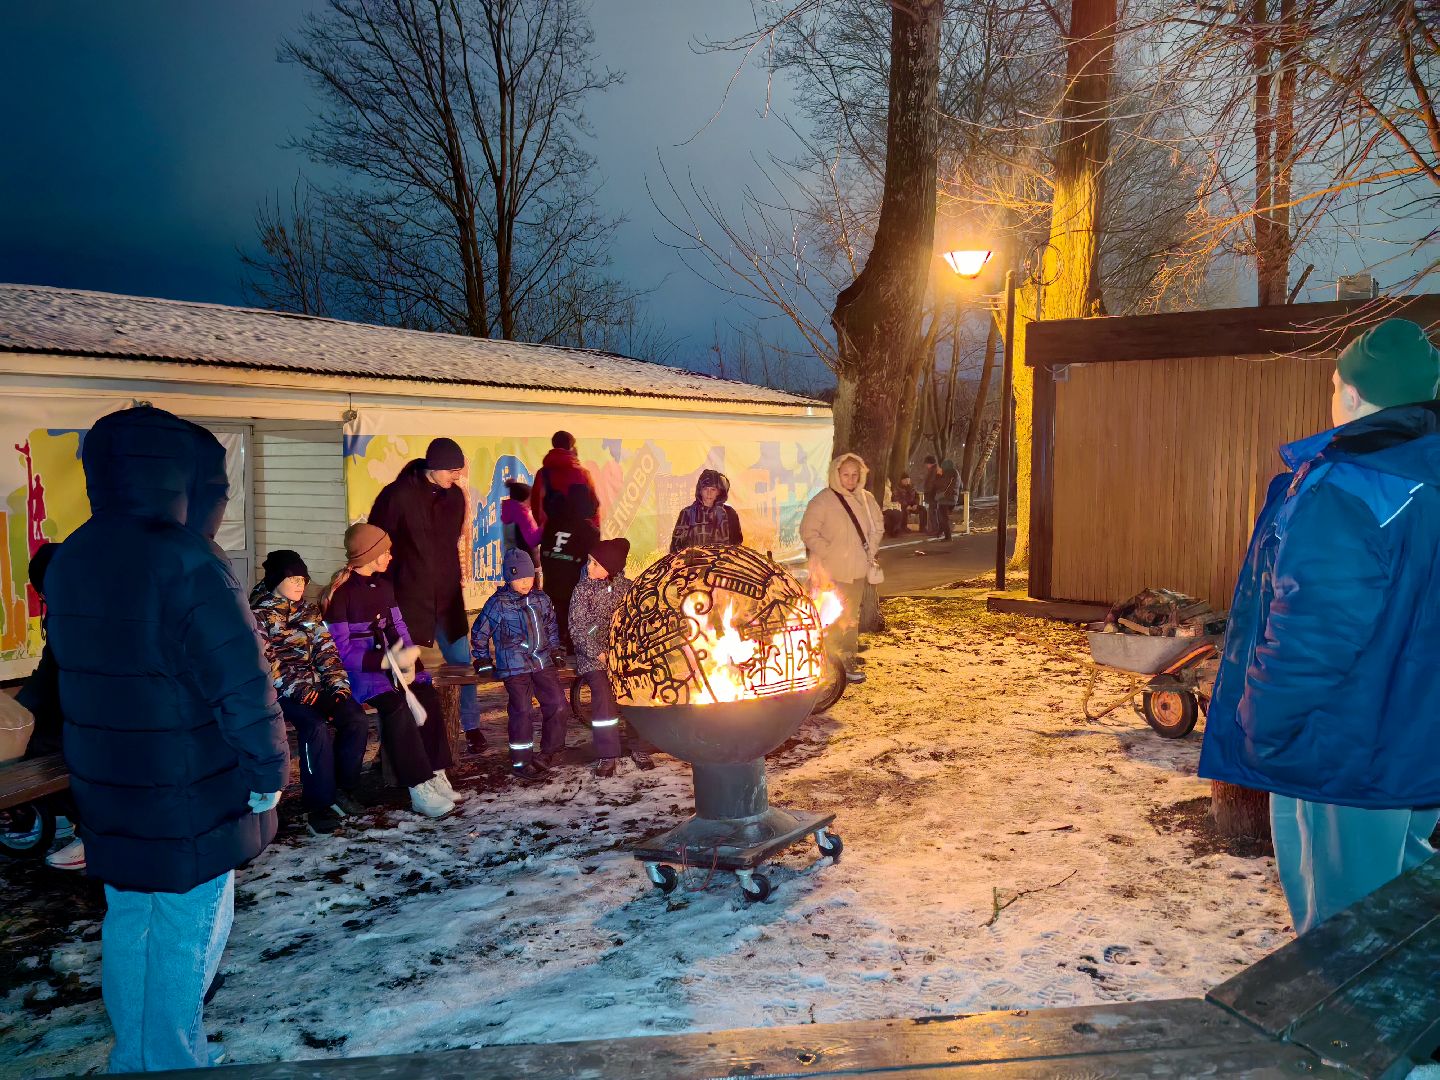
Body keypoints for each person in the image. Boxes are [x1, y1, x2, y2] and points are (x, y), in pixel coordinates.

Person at [44, 405, 289, 1072]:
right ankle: (170, 1061)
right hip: (190, 789)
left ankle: (142, 1053)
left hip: (110, 784)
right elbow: (242, 682)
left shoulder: (75, 555)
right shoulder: (188, 560)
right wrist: (268, 769)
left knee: (131, 918)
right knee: (189, 926)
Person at [1198, 318, 1440, 936]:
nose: (1331, 392)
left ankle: (1348, 1035)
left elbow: (1315, 629)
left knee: (1342, 932)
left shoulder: (1351, 486)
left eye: (1335, 381)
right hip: (1410, 739)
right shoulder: (1424, 475)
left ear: (1355, 394)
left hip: (1341, 746)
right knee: (1406, 900)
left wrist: (1261, 723)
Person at [321, 524, 462, 820]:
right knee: (397, 708)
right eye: (384, 551)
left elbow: (398, 627)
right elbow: (341, 651)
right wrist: (382, 661)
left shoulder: (384, 586)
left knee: (427, 696)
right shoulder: (342, 595)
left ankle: (436, 772)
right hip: (361, 674)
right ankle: (417, 785)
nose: (390, 556)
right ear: (369, 555)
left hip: (392, 665)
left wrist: (412, 662)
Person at [367, 437, 482, 750]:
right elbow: (375, 542)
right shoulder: (398, 495)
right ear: (434, 466)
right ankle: (400, 734)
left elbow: (449, 543)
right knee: (402, 667)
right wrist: (382, 587)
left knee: (462, 661)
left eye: (459, 470)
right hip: (408, 597)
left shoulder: (455, 497)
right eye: (452, 470)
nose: (457, 476)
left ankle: (471, 726)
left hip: (446, 597)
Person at [250, 550, 369, 835]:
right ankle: (319, 804)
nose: (300, 584)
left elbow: (327, 651)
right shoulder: (258, 615)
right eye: (293, 578)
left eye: (303, 578)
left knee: (355, 717)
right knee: (314, 726)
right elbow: (267, 662)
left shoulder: (309, 611)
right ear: (277, 579)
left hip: (316, 685)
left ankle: (344, 787)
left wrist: (337, 688)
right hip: (279, 691)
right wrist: (307, 695)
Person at [14, 542, 85, 872]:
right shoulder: (79, 602)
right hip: (94, 706)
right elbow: (50, 669)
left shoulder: (74, 612)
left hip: (97, 712)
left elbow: (52, 673)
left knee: (40, 753)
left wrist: (22, 710)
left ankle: (91, 834)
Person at [471, 549, 570, 782]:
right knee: (522, 711)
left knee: (557, 703)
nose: (525, 582)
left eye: (529, 577)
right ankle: (521, 761)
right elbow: (479, 632)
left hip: (542, 661)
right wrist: (483, 659)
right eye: (519, 578)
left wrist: (555, 650)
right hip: (514, 667)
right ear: (509, 578)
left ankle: (550, 751)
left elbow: (551, 628)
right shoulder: (498, 604)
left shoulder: (541, 599)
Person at [568, 538, 653, 776]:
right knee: (603, 695)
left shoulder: (628, 588)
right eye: (589, 562)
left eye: (595, 563)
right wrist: (600, 654)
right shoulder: (582, 590)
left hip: (622, 655)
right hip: (593, 656)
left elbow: (639, 621)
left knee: (635, 690)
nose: (589, 567)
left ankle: (640, 747)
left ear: (611, 568)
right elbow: (577, 628)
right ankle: (607, 753)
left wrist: (625, 653)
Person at [800, 452, 883, 685]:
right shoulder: (823, 500)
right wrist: (829, 553)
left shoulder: (866, 499)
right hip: (830, 573)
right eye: (846, 474)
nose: (850, 479)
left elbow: (877, 527)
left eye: (854, 475)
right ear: (836, 474)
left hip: (856, 572)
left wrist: (869, 550)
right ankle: (824, 663)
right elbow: (809, 532)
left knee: (850, 619)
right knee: (828, 619)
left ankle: (846, 661)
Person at [540, 484, 601, 652]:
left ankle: (558, 650)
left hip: (552, 583)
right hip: (573, 587)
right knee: (577, 627)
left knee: (557, 624)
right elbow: (594, 562)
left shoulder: (552, 524)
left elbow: (544, 553)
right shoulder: (589, 530)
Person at [531, 430, 600, 529]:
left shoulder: (542, 473)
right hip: (579, 534)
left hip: (553, 534)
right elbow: (594, 506)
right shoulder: (583, 474)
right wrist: (593, 532)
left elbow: (536, 506)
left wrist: (546, 530)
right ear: (571, 448)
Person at [670, 468, 744, 553]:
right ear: (700, 491)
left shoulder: (730, 514)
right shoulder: (687, 514)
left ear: (719, 492)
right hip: (693, 564)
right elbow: (675, 547)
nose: (709, 493)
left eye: (713, 489)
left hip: (722, 563)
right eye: (705, 489)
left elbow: (736, 545)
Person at [500, 478, 543, 572]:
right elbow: (532, 540)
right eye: (530, 498)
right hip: (527, 563)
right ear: (523, 499)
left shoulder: (509, 510)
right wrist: (544, 527)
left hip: (513, 561)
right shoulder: (522, 515)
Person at [933, 459, 961, 541]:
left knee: (943, 518)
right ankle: (941, 531)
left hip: (945, 499)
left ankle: (948, 536)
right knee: (942, 516)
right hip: (952, 499)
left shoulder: (948, 473)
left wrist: (938, 475)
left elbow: (940, 485)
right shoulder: (956, 473)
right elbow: (961, 485)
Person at [921, 455, 942, 537]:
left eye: (926, 464)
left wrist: (929, 492)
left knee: (932, 512)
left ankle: (935, 530)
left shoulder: (933, 471)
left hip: (933, 495)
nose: (926, 466)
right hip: (935, 495)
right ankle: (935, 530)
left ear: (930, 463)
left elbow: (932, 483)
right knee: (934, 512)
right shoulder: (936, 469)